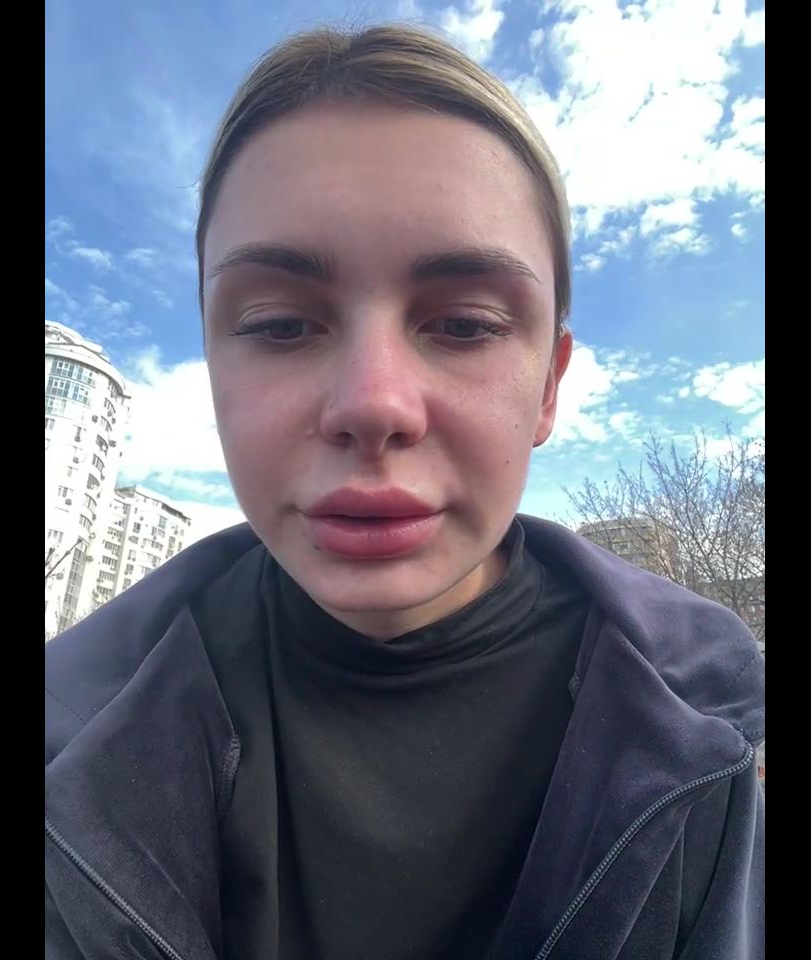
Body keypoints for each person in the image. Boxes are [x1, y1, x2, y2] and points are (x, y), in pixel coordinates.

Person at [45, 23, 764, 960]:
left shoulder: (715, 738)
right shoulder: (66, 746)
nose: (372, 404)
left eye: (465, 324)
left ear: (549, 390)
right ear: (214, 368)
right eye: (279, 324)